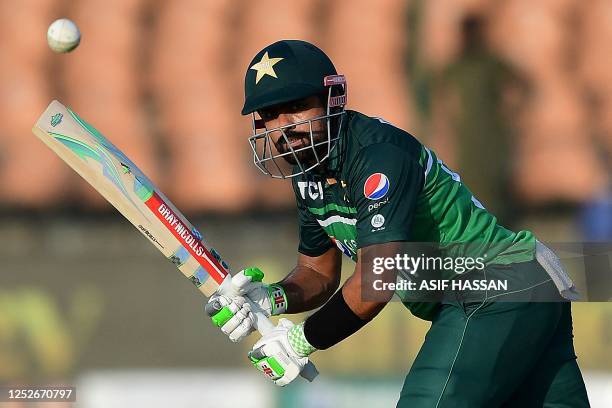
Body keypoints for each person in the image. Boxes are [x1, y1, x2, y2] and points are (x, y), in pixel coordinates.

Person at [205, 40, 590, 407]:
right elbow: (317, 273)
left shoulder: (376, 155)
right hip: (520, 289)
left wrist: (301, 342)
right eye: (269, 114)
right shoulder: (308, 173)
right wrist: (272, 298)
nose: (282, 125)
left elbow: (378, 280)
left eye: (296, 106)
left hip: (495, 286)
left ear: (332, 99)